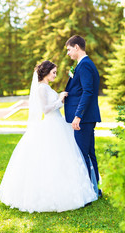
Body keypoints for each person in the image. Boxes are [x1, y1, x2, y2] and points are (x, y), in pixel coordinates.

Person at [0, 60, 97, 213]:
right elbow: (45, 109)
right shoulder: (41, 89)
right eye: (54, 72)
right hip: (50, 124)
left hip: (58, 123)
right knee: (49, 158)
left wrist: (61, 99)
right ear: (46, 72)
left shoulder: (47, 87)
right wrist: (60, 99)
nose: (56, 75)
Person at [64, 35, 102, 197]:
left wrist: (78, 115)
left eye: (69, 49)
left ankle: (88, 192)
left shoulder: (85, 65)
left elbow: (88, 91)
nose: (68, 53)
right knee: (88, 152)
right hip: (86, 117)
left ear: (77, 47)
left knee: (82, 153)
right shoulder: (83, 65)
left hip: (84, 118)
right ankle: (94, 188)